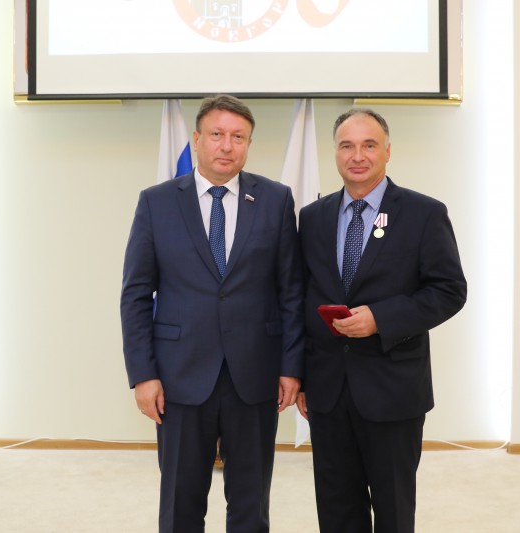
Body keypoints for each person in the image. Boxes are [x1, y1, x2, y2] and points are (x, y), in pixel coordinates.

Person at [121, 94, 304, 532]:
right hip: (179, 377)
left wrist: (291, 367)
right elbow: (135, 294)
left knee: (250, 504)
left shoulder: (276, 199)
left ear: (249, 144)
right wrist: (143, 374)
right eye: (217, 134)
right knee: (181, 504)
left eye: (238, 137)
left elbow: (291, 292)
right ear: (197, 139)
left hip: (255, 375)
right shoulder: (157, 202)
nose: (227, 145)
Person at [296, 109, 467, 533]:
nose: (358, 155)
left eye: (369, 145)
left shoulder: (424, 213)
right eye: (347, 145)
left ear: (388, 151)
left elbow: (449, 290)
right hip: (328, 391)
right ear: (335, 152)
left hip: (393, 392)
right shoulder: (313, 217)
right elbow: (301, 298)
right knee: (336, 510)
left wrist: (382, 319)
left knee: (393, 511)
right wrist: (300, 376)